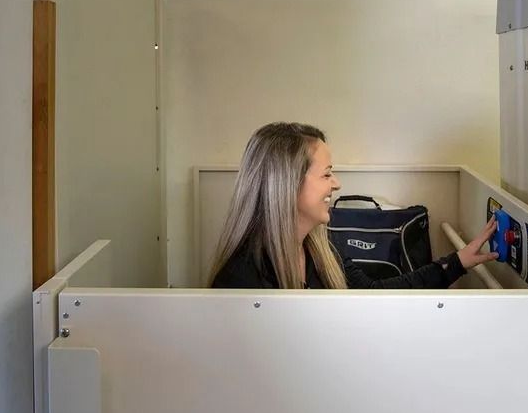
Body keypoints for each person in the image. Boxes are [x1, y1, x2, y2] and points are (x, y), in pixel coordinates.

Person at [210, 122, 498, 289]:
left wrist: (457, 262)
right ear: (287, 185)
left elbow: (374, 294)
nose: (336, 184)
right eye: (326, 174)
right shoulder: (240, 279)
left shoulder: (322, 249)